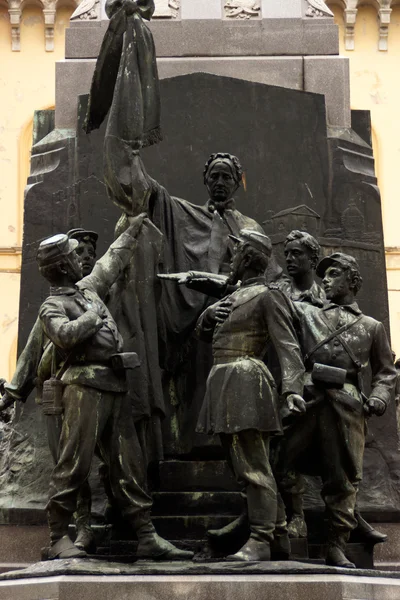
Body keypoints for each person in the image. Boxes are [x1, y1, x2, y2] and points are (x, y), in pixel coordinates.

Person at [35, 214, 193, 561]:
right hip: (82, 388)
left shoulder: (89, 288)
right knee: (73, 463)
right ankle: (58, 535)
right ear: (62, 266)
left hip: (115, 385)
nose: (82, 260)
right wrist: (93, 317)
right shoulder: (53, 305)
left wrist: (134, 228)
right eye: (75, 257)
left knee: (128, 463)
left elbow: (110, 261)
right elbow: (63, 337)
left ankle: (146, 534)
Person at [279, 252, 396, 567]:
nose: (324, 281)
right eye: (323, 276)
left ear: (351, 279)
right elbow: (271, 308)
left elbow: (386, 372)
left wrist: (380, 398)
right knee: (282, 459)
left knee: (342, 479)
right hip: (307, 398)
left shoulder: (372, 326)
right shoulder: (305, 313)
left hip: (346, 405)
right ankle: (293, 520)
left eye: (332, 274)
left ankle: (336, 545)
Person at [195, 229, 305, 561]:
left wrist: (292, 391)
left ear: (247, 258)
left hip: (247, 382)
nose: (230, 259)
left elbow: (288, 348)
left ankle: (261, 538)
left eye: (235, 253)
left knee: (253, 466)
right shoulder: (233, 296)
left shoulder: (268, 295)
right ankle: (279, 533)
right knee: (243, 466)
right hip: (225, 383)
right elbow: (204, 336)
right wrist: (206, 317)